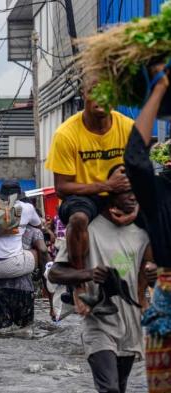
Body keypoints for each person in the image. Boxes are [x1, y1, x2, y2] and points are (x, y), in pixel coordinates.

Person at [48, 168, 156, 393]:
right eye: (126, 191)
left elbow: (151, 274)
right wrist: (86, 275)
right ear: (110, 194)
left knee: (120, 387)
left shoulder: (143, 232)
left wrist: (151, 275)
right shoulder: (86, 229)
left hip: (131, 323)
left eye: (135, 191)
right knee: (110, 389)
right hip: (98, 321)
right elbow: (55, 273)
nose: (132, 196)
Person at [45, 73, 137, 313]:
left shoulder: (127, 128)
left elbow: (142, 177)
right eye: (94, 91)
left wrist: (135, 210)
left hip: (120, 193)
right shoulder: (66, 134)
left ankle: (148, 294)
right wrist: (105, 187)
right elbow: (62, 188)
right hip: (81, 196)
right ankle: (79, 282)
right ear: (83, 94)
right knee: (78, 218)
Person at [123, 63, 171, 393]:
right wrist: (158, 89)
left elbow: (136, 159)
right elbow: (135, 159)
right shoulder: (161, 191)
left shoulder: (159, 194)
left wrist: (158, 89)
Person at [0, 181, 41, 332]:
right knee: (39, 251)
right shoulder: (27, 207)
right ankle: (47, 276)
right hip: (14, 266)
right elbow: (38, 224)